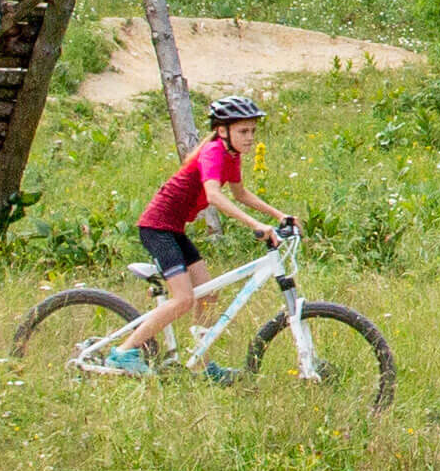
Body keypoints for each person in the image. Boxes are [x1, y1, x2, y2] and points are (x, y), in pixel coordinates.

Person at [90, 97, 302, 376]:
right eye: (243, 131)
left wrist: (278, 216)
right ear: (223, 131)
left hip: (174, 228)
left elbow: (240, 194)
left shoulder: (231, 155)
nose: (250, 137)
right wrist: (256, 225)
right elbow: (214, 195)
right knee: (183, 299)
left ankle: (201, 364)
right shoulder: (213, 152)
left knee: (209, 294)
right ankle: (123, 352)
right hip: (157, 228)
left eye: (252, 131)